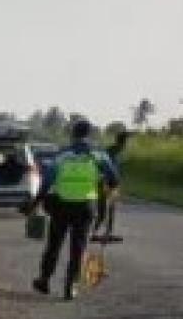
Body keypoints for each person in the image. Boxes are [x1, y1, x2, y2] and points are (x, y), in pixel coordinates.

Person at [24, 118, 120, 299]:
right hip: (85, 207)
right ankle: (71, 286)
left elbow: (47, 181)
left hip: (62, 205)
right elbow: (114, 179)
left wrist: (36, 202)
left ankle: (44, 280)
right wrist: (107, 189)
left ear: (73, 134)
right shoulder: (98, 155)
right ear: (89, 134)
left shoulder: (62, 155)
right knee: (78, 248)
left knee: (54, 245)